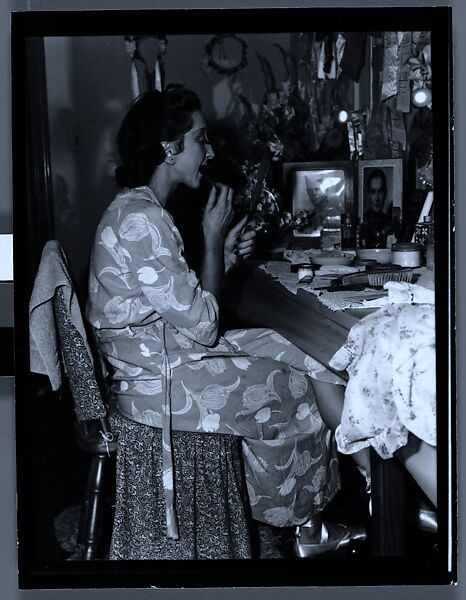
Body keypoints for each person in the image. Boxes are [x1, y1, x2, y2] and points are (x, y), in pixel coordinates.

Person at [87, 85, 354, 559]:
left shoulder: (141, 210)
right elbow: (204, 325)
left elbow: (185, 303)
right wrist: (212, 239)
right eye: (200, 140)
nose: (208, 151)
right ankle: (298, 522)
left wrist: (222, 255)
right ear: (170, 149)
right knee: (294, 383)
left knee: (292, 345)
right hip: (159, 381)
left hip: (169, 355)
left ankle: (304, 510)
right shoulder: (142, 219)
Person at [359, 168, 392, 248]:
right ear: (369, 193)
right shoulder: (361, 222)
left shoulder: (390, 224)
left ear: (385, 193)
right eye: (373, 192)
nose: (377, 198)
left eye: (380, 191)